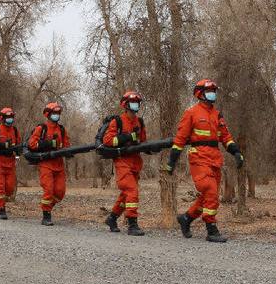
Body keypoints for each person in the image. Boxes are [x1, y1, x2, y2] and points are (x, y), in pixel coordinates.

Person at [167, 79, 244, 243]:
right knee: (209, 190)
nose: (213, 94)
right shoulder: (191, 113)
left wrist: (236, 152)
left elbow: (226, 137)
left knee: (211, 195)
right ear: (200, 94)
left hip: (215, 158)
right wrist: (171, 162)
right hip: (198, 158)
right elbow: (180, 139)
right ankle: (211, 228)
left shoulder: (217, 114)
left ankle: (186, 218)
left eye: (214, 91)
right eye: (210, 91)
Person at [103, 91, 148, 236]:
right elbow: (108, 141)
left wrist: (150, 148)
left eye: (137, 102)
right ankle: (132, 224)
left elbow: (143, 141)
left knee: (125, 195)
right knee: (132, 191)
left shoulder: (139, 122)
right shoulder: (118, 121)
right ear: (126, 105)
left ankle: (112, 218)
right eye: (133, 102)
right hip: (122, 162)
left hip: (135, 163)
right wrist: (126, 137)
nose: (136, 105)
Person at [28, 102, 71, 226]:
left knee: (60, 192)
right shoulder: (41, 128)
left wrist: (68, 152)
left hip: (59, 165)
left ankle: (48, 206)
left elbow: (67, 145)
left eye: (58, 113)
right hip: (46, 164)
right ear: (48, 114)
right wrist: (47, 144)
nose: (57, 115)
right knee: (48, 190)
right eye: (54, 113)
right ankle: (46, 215)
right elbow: (32, 144)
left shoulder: (62, 129)